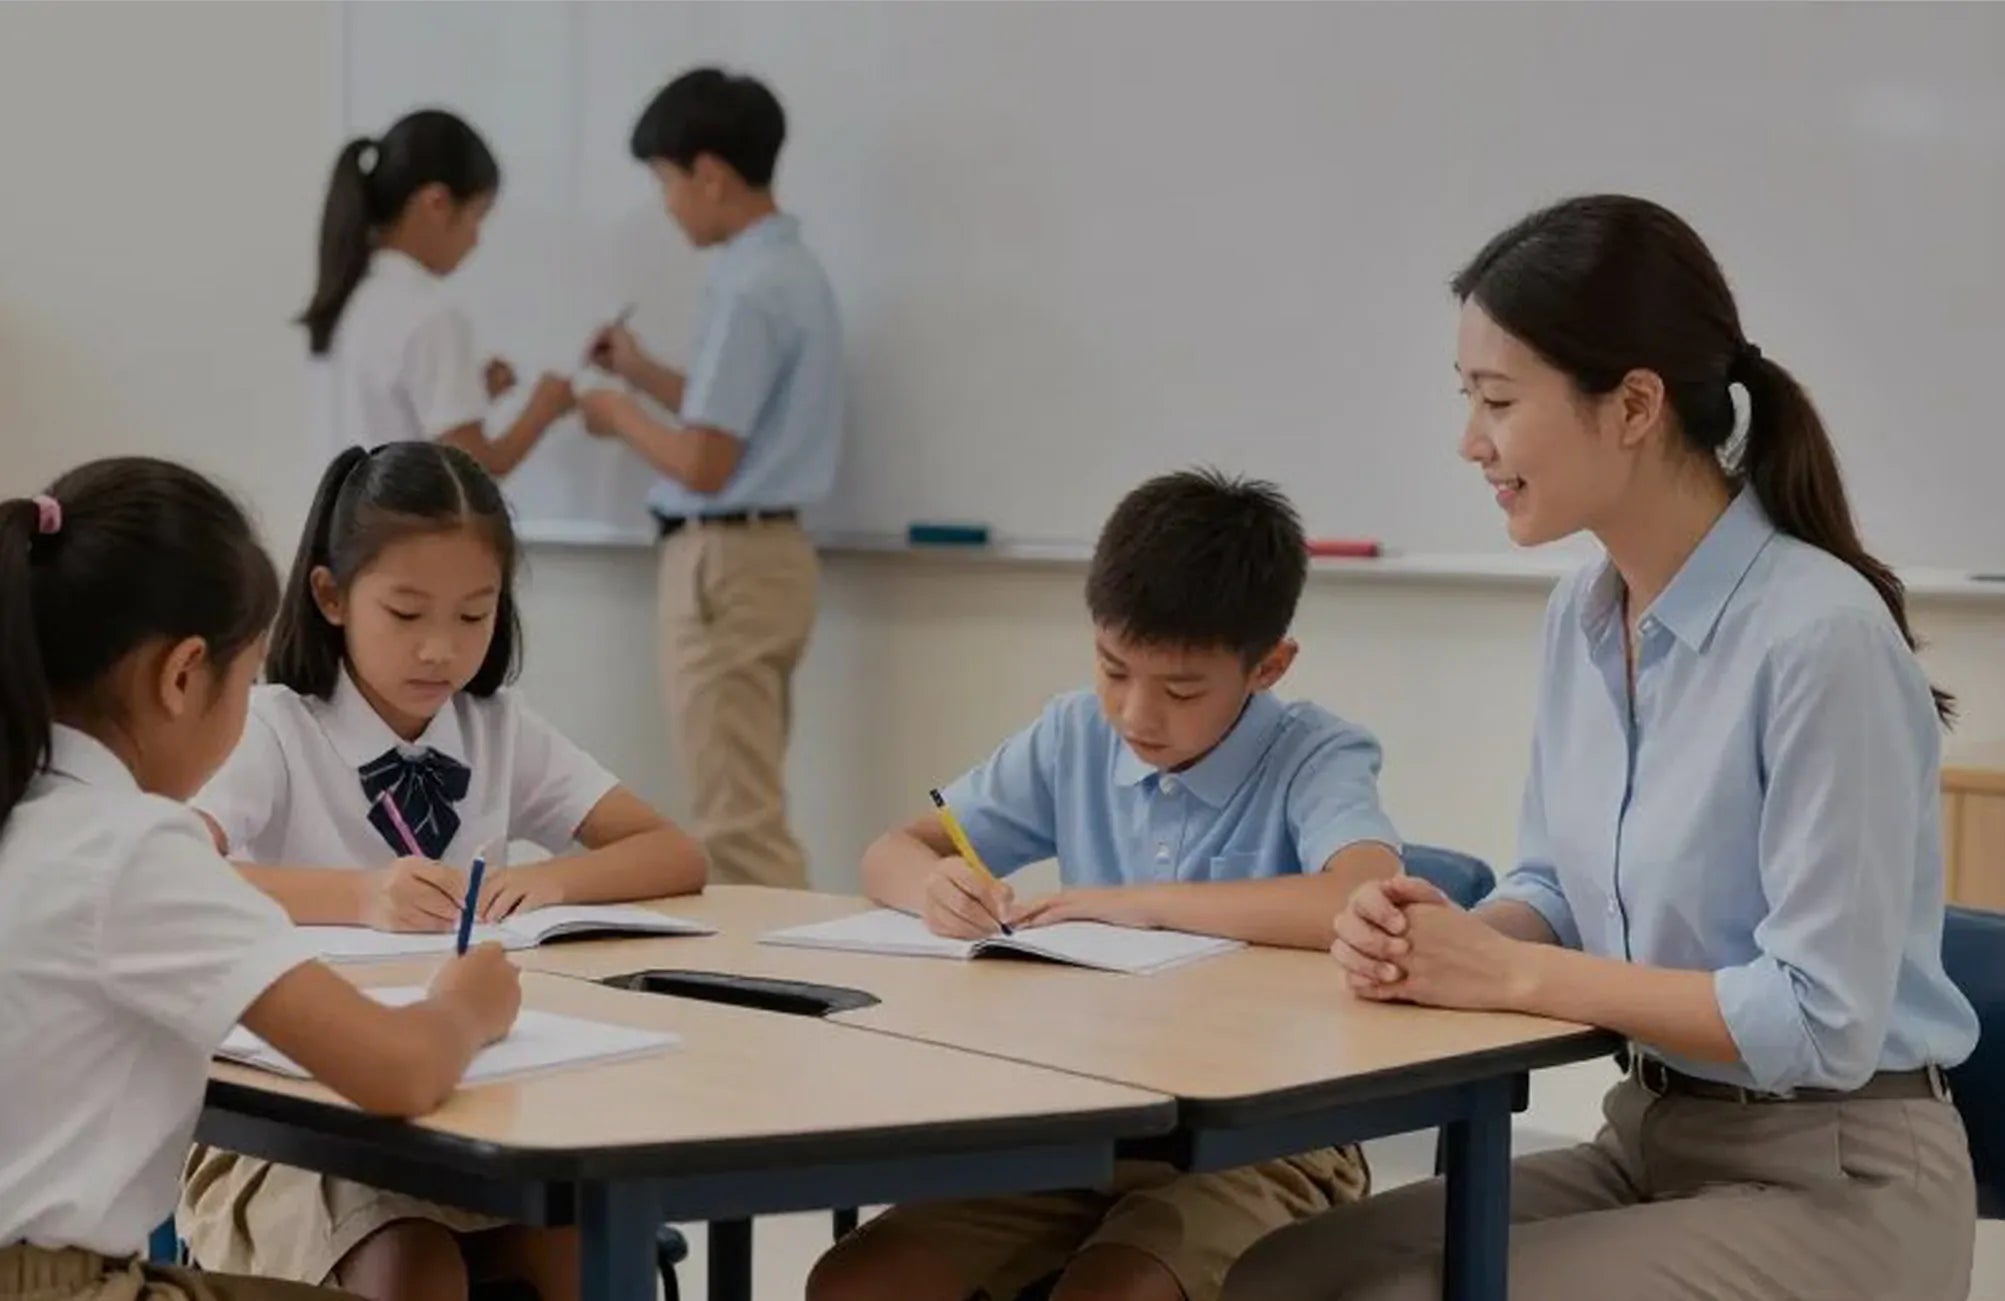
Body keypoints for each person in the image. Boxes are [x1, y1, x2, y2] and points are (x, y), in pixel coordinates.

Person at [1223, 194, 1979, 1301]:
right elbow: (1554, 887)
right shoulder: (1584, 614)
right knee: (1280, 1274)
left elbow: (1817, 1013)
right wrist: (1450, 938)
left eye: (1495, 400)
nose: (1469, 441)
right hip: (1655, 1137)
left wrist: (1512, 971)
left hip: (1841, 1181)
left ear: (1631, 405)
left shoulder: (1820, 639)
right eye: (1465, 398)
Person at [809, 469, 1402, 1301]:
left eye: (1180, 688)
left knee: (1113, 1293)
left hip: (1268, 1136)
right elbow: (891, 850)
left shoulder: (1316, 753)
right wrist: (934, 884)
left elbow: (1359, 895)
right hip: (1087, 1123)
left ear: (1268, 665)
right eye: (1112, 668)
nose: (1134, 715)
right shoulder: (1072, 735)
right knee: (857, 1284)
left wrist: (1143, 906)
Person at [178, 441, 705, 1301]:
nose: (439, 650)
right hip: (296, 1123)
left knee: (575, 1250)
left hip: (472, 1099)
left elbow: (673, 850)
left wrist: (554, 879)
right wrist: (354, 895)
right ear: (331, 595)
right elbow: (175, 870)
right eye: (407, 612)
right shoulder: (277, 725)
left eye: (474, 616)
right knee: (406, 1261)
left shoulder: (497, 727)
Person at [0, 457, 520, 1301]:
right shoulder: (132, 846)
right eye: (246, 681)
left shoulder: (29, 806)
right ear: (181, 676)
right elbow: (397, 1069)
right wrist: (465, 1005)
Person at [577, 68, 844, 890]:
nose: (665, 204)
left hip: (724, 568)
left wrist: (613, 413)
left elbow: (704, 460)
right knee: (744, 805)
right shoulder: (787, 269)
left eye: (664, 182)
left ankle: (788, 1004)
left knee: (737, 829)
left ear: (710, 174)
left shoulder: (748, 285)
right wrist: (641, 373)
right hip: (765, 560)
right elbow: (724, 416)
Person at [302, 109, 574, 476]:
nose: (477, 239)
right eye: (477, 217)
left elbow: (391, 424)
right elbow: (473, 471)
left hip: (346, 526)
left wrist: (470, 394)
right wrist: (544, 407)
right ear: (436, 204)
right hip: (403, 530)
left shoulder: (353, 296)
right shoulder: (431, 314)